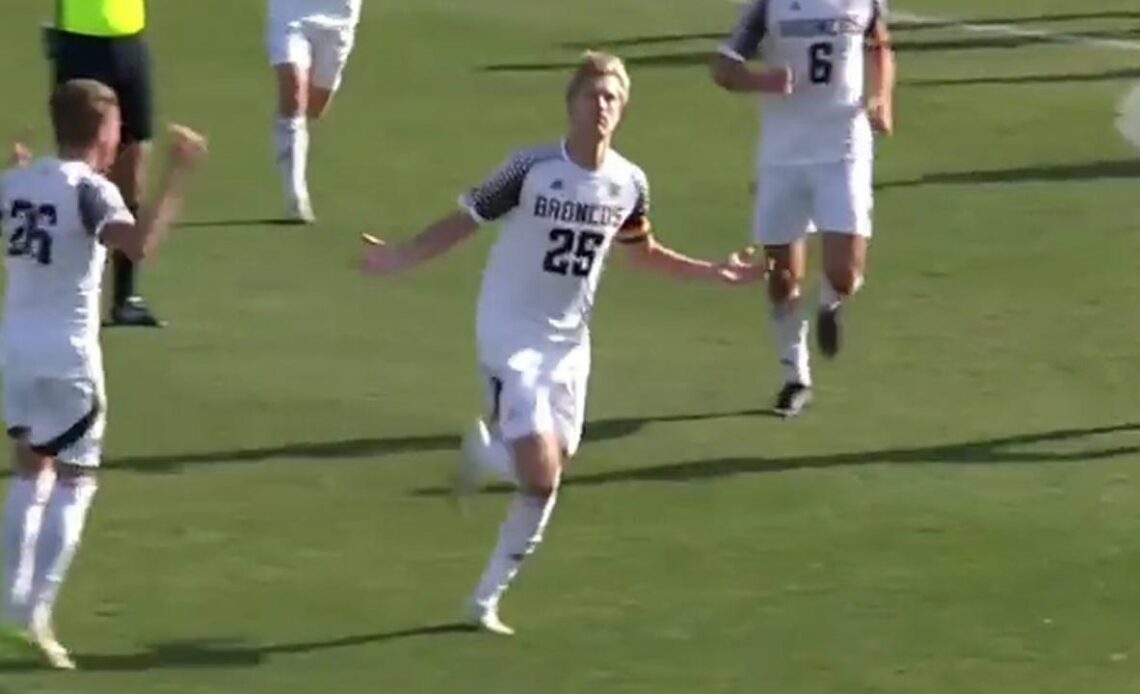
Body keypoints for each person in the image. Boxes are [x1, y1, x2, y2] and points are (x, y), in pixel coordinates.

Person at [360, 52, 764, 635]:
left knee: (549, 469)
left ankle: (483, 594)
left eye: (613, 99)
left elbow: (641, 253)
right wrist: (400, 256)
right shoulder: (530, 168)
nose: (602, 107)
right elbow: (465, 220)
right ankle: (491, 560)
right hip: (510, 331)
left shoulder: (629, 183)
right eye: (593, 95)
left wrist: (713, 272)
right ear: (571, 102)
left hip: (571, 342)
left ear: (623, 110)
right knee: (543, 475)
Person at [0, 80, 207, 669]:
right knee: (74, 481)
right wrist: (177, 174)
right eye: (118, 127)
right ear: (103, 134)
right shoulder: (92, 192)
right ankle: (32, 612)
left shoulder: (17, 181)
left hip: (14, 346)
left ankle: (10, 602)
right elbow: (137, 247)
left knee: (28, 471)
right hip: (68, 356)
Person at [710, 0, 896, 417]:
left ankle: (832, 303)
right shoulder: (768, 5)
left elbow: (880, 45)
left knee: (845, 272)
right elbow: (723, 68)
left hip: (843, 148)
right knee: (782, 277)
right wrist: (764, 80)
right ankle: (795, 377)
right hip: (783, 156)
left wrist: (882, 97)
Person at [46, 0, 165, 327]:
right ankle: (61, 290)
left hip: (130, 43)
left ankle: (125, 297)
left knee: (135, 161)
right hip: (80, 43)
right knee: (76, 171)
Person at [267, 0, 364, 223]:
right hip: (291, 12)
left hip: (339, 18)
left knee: (315, 107)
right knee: (294, 94)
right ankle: (296, 196)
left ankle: (294, 137)